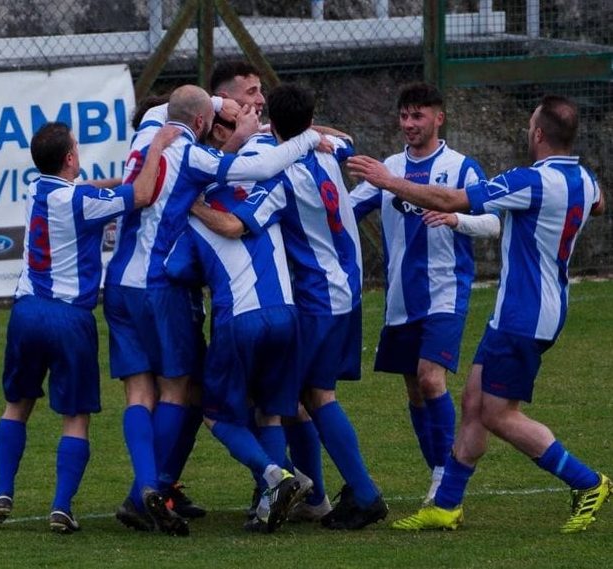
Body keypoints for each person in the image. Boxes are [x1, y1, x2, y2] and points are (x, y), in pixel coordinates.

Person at [348, 94, 610, 533]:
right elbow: (599, 204)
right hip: (525, 309)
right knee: (472, 403)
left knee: (496, 415)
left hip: (524, 315)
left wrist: (388, 181)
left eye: (531, 126)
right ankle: (447, 503)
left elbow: (450, 199)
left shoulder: (529, 180)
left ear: (540, 134)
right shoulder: (584, 180)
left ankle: (587, 482)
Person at [103, 84, 323, 536]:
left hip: (120, 282)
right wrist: (307, 138)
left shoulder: (148, 131)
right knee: (179, 391)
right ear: (204, 124)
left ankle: (146, 491)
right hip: (164, 288)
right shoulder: (197, 161)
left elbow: (175, 108)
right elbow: (258, 166)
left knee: (139, 394)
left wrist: (222, 107)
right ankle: (164, 488)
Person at [193, 83, 389, 530]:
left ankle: (357, 492)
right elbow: (344, 138)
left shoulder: (278, 177)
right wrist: (306, 131)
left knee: (308, 398)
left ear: (274, 124)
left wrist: (195, 202)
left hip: (318, 296)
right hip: (349, 285)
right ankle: (314, 495)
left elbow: (235, 225)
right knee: (301, 395)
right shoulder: (328, 148)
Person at [0, 120, 179, 533]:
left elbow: (93, 187)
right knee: (75, 416)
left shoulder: (36, 189)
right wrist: (157, 149)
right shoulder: (83, 201)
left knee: (17, 405)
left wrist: (124, 177)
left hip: (25, 313)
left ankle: (2, 490)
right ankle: (61, 507)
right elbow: (143, 195)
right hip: (69, 319)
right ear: (70, 157)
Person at [349, 81, 500, 504]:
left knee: (431, 379)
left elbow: (493, 223)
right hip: (400, 298)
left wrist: (457, 221)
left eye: (419, 115)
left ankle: (444, 478)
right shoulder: (388, 167)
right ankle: (436, 468)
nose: (410, 123)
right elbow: (344, 209)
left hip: (445, 294)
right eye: (404, 116)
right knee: (414, 388)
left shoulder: (461, 168)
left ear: (439, 117)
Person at [165, 124, 306, 532]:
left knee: (215, 412)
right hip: (286, 312)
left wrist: (189, 211)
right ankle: (268, 505)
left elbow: (174, 270)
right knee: (271, 412)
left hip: (240, 320)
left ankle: (273, 476)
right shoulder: (259, 198)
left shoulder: (196, 217)